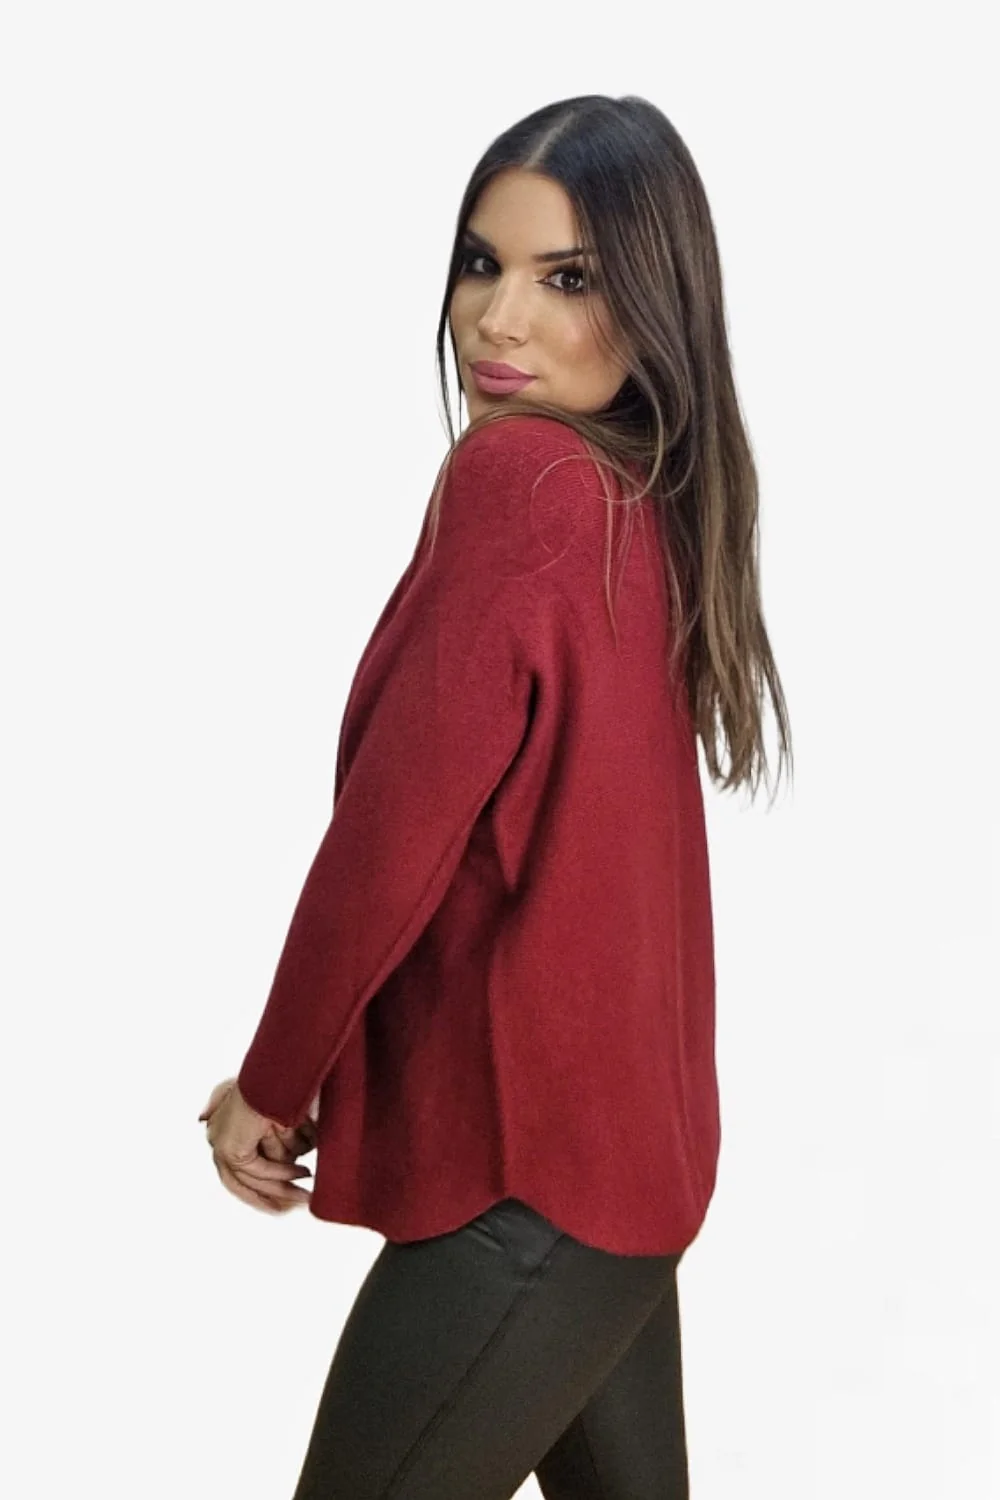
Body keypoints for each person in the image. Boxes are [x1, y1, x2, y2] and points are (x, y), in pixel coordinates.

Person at [198, 92, 792, 1499]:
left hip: (530, 1186)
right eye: (482, 264)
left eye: (566, 278)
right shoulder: (636, 498)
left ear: (654, 304)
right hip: (624, 1175)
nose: (498, 319)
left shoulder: (521, 481)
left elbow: (395, 839)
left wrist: (272, 1081)